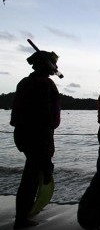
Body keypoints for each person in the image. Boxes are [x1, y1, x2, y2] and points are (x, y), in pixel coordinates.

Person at [10, 50, 61, 229]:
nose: (56, 67)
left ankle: (22, 216)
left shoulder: (26, 82)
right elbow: (45, 118)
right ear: (46, 65)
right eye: (54, 63)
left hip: (25, 135)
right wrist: (47, 149)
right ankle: (21, 219)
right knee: (31, 178)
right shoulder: (44, 84)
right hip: (38, 136)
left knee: (30, 175)